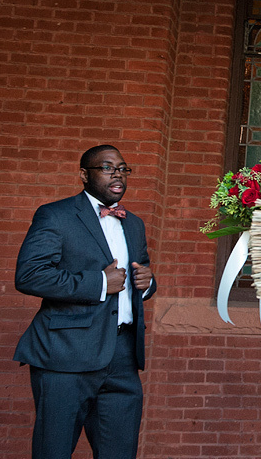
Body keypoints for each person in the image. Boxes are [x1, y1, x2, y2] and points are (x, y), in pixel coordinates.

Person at [14, 145, 156, 459]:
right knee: (54, 451)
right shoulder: (56, 215)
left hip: (122, 357)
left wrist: (147, 284)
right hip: (65, 354)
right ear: (83, 175)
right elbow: (29, 275)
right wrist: (101, 283)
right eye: (106, 167)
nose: (117, 173)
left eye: (122, 167)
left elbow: (139, 274)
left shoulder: (133, 224)